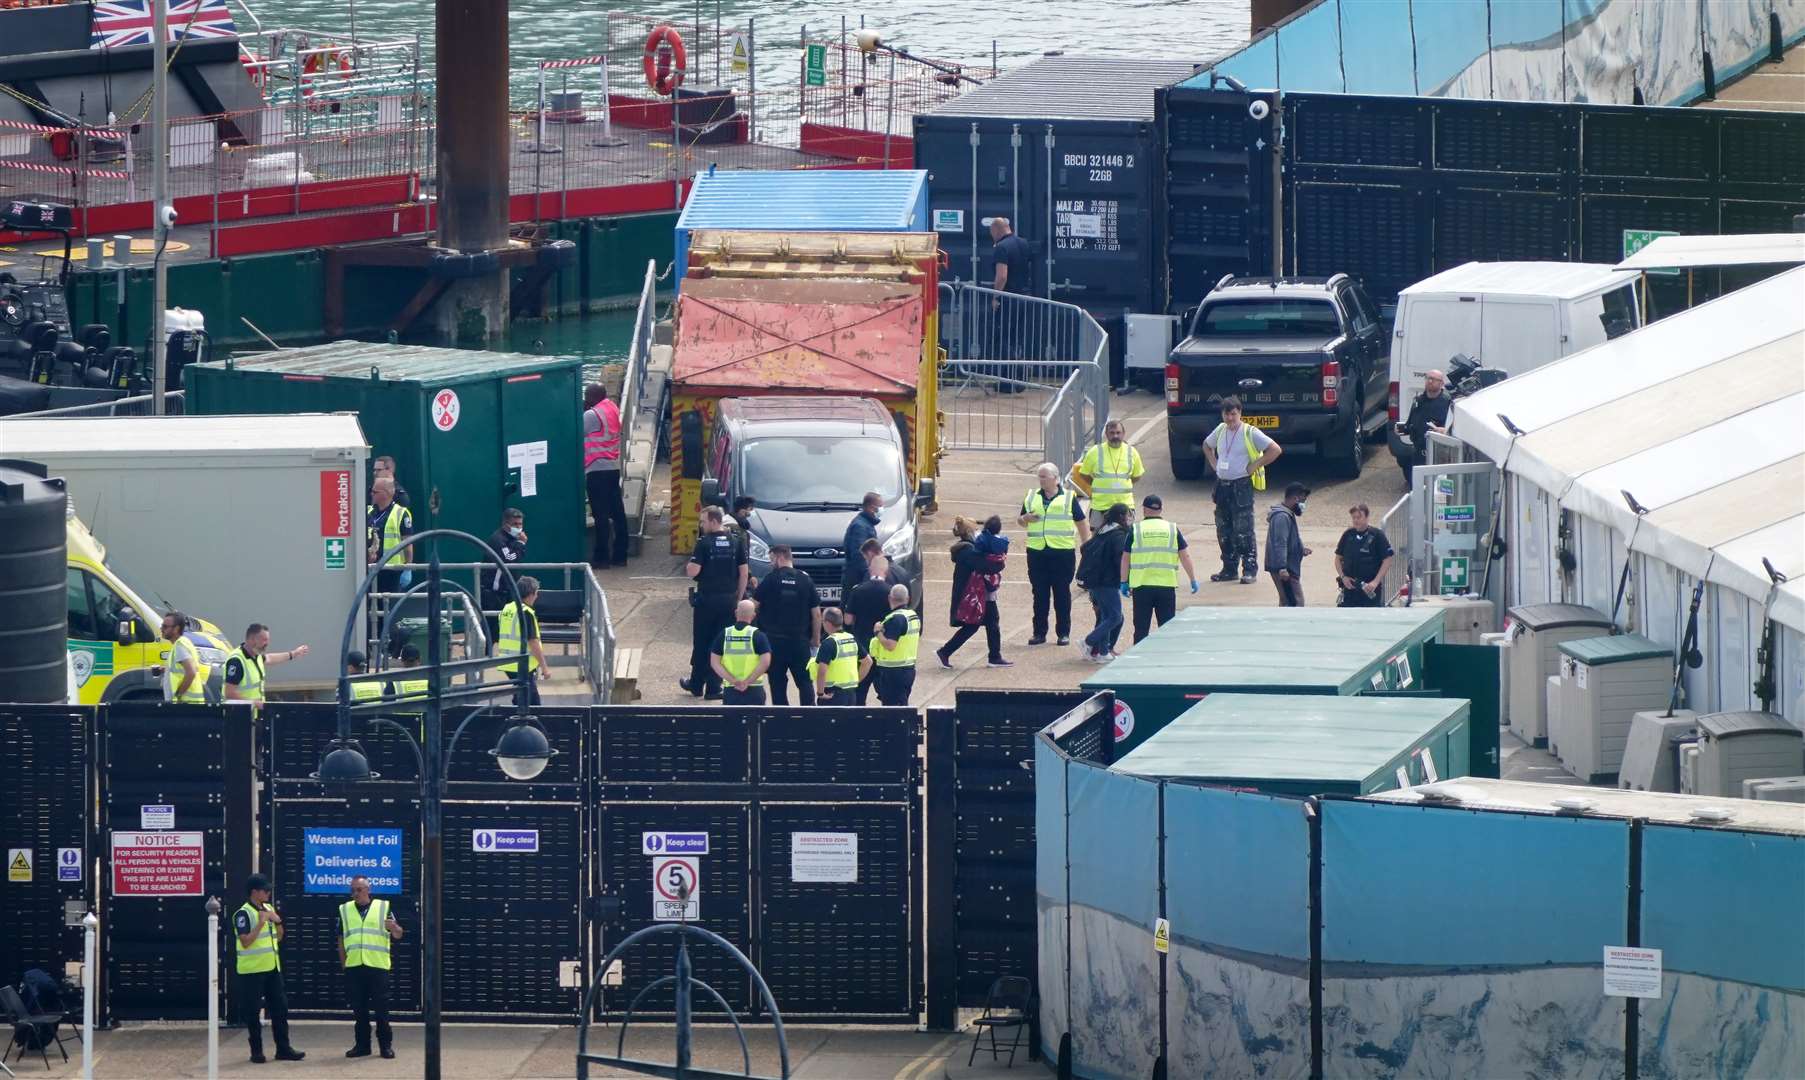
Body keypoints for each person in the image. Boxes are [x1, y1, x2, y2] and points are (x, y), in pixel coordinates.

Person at [1202, 396, 1282, 584]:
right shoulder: (1221, 430)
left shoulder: (1249, 432)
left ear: (1240, 413)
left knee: (1243, 529)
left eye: (1233, 414)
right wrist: (1215, 464)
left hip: (1241, 486)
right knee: (1224, 528)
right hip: (1222, 485)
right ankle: (1229, 568)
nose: (1230, 418)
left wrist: (1254, 466)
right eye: (1226, 414)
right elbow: (1206, 446)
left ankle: (1249, 569)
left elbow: (1275, 449)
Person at [235, 873, 304, 1064]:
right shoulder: (243, 913)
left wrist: (278, 921)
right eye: (265, 890)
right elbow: (246, 941)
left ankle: (283, 1048)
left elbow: (279, 937)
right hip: (252, 971)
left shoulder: (268, 908)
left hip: (272, 968)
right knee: (253, 1012)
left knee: (280, 1009)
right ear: (254, 892)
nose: (268, 892)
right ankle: (256, 1051)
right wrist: (261, 922)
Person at [1019, 461, 1091, 646]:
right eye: (1039, 477)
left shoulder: (1068, 497)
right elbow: (1021, 521)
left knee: (1062, 594)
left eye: (1044, 477)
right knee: (1040, 594)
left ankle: (1063, 633)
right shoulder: (1031, 496)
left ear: (1055, 478)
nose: (1041, 480)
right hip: (1037, 553)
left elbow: (1081, 522)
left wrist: (1087, 547)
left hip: (1062, 553)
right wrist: (1026, 518)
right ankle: (1039, 633)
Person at [682, 506, 746, 699]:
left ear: (713, 521)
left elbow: (693, 571)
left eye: (703, 521)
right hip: (729, 601)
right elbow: (743, 572)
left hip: (707, 601)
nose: (701, 525)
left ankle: (696, 685)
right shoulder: (736, 542)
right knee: (720, 644)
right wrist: (739, 598)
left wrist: (689, 566)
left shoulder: (704, 543)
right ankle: (714, 688)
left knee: (702, 641)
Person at [338, 874, 402, 1060]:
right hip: (355, 967)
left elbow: (398, 934)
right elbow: (340, 940)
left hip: (377, 966)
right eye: (352, 890)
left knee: (381, 1010)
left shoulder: (383, 907)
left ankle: (385, 1046)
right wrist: (345, 965)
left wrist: (395, 928)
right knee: (359, 1010)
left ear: (368, 890)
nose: (355, 894)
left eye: (359, 890)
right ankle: (362, 1046)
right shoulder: (345, 910)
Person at [1120, 495, 1199, 643]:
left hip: (1142, 586)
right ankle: (1165, 658)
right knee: (1167, 629)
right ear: (1161, 510)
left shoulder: (1135, 530)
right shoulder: (1172, 529)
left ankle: (1139, 659)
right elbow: (1185, 556)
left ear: (1144, 509)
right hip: (1166, 586)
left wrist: (1123, 581)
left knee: (1141, 629)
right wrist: (1192, 579)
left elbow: (1125, 558)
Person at [937, 517, 1011, 669]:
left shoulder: (967, 549)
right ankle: (946, 651)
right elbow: (988, 567)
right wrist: (1000, 559)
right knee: (978, 625)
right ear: (970, 532)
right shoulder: (968, 551)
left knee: (988, 623)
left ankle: (994, 656)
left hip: (977, 594)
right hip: (974, 595)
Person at [753, 545, 820, 706]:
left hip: (774, 642)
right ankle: (809, 717)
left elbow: (753, 605)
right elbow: (817, 614)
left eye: (771, 559)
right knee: (804, 682)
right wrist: (815, 639)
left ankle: (781, 720)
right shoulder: (806, 580)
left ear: (780, 557)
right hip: (799, 641)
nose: (771, 563)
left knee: (777, 683)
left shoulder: (770, 579)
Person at [1076, 502, 1131, 662]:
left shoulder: (1102, 530)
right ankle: (1088, 642)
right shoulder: (1118, 535)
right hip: (1107, 581)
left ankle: (1102, 651)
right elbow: (1120, 559)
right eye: (1127, 515)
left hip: (1096, 581)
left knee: (1107, 615)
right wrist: (1126, 579)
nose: (1129, 518)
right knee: (1115, 617)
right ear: (1121, 517)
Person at [583, 384, 630, 568]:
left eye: (587, 395)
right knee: (618, 514)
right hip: (612, 468)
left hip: (596, 469)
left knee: (600, 516)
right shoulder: (611, 408)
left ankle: (601, 558)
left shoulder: (591, 415)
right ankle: (620, 556)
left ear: (594, 396)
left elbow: (577, 431)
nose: (586, 398)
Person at [845, 554, 899, 705]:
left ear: (869, 570)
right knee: (886, 693)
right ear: (886, 572)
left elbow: (847, 620)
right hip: (883, 649)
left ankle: (858, 722)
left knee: (859, 690)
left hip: (862, 648)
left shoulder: (858, 590)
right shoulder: (891, 593)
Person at [1077, 419, 1145, 530]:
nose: (1115, 436)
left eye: (1118, 433)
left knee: (1124, 540)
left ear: (1123, 434)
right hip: (1100, 506)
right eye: (1112, 433)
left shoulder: (1132, 452)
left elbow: (1137, 475)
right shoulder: (1095, 451)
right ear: (1106, 434)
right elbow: (1084, 474)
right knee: (1098, 540)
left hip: (1125, 506)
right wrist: (1098, 484)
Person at [223, 624, 309, 707]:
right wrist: (256, 704)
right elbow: (229, 693)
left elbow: (270, 658)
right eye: (264, 640)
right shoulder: (236, 661)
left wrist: (294, 653)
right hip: (238, 717)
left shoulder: (256, 656)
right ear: (252, 639)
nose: (267, 643)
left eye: (267, 640)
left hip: (252, 715)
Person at [497, 575, 549, 706]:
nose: (537, 597)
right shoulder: (526, 613)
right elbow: (533, 642)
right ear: (531, 594)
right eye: (536, 593)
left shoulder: (507, 608)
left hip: (507, 662)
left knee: (521, 696)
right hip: (522, 664)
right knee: (532, 703)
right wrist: (544, 667)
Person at [711, 599, 773, 705]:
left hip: (731, 690)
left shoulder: (724, 634)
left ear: (736, 613)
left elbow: (714, 662)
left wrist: (732, 680)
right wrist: (748, 681)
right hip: (754, 689)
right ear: (753, 615)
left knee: (731, 721)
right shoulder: (759, 636)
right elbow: (765, 662)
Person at [1335, 503, 1396, 607]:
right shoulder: (1348, 534)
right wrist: (1343, 577)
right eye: (1353, 517)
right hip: (1350, 589)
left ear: (1367, 517)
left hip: (1369, 589)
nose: (1356, 520)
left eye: (1359, 517)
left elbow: (1388, 559)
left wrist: (1375, 582)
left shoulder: (1377, 535)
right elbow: (1338, 559)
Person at [1400, 368, 1453, 488]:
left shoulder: (1447, 403)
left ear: (1441, 383)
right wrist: (1403, 429)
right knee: (1418, 489)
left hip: (1439, 455)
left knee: (1439, 490)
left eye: (1434, 379)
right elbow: (1411, 424)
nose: (1430, 381)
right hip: (1419, 454)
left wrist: (1444, 431)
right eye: (1428, 378)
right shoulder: (1418, 401)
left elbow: (1454, 429)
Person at [869, 584, 920, 706]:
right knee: (901, 705)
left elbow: (890, 645)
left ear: (890, 598)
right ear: (907, 599)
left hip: (893, 672)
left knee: (893, 710)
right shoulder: (912, 616)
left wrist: (878, 632)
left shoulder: (895, 619)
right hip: (908, 669)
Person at [1264, 482, 1312, 607]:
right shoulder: (1282, 517)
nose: (1303, 505)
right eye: (1303, 500)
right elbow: (1280, 543)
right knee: (1296, 603)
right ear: (1295, 498)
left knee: (1287, 601)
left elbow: (1289, 538)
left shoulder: (1287, 514)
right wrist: (1282, 568)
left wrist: (1300, 549)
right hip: (1285, 570)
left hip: (1286, 567)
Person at [366, 477, 414, 601]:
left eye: (375, 492)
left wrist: (407, 569)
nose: (372, 494)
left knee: (388, 610)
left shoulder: (401, 514)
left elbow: (408, 544)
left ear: (386, 494)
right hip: (370, 569)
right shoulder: (368, 512)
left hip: (392, 571)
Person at [483, 509, 529, 632]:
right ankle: (486, 651)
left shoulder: (515, 538)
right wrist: (521, 544)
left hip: (509, 591)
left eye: (520, 524)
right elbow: (508, 559)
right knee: (491, 629)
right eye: (515, 524)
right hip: (494, 593)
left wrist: (519, 543)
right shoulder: (498, 539)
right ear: (506, 524)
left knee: (512, 629)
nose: (519, 527)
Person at [814, 608, 869, 706]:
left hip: (832, 694)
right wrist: (856, 680)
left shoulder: (828, 643)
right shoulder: (851, 638)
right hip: (851, 693)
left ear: (827, 623)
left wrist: (820, 693)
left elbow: (822, 671)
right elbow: (868, 662)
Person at [157, 610, 209, 703]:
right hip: (190, 703)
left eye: (165, 627)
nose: (161, 629)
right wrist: (166, 669)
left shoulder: (180, 645)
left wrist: (178, 695)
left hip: (186, 704)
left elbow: (191, 672)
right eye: (162, 626)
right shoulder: (183, 643)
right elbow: (183, 670)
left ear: (176, 629)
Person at [840, 492, 884, 591]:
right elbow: (859, 556)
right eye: (880, 506)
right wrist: (870, 577)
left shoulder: (866, 524)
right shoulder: (860, 527)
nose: (882, 509)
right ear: (871, 508)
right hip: (856, 579)